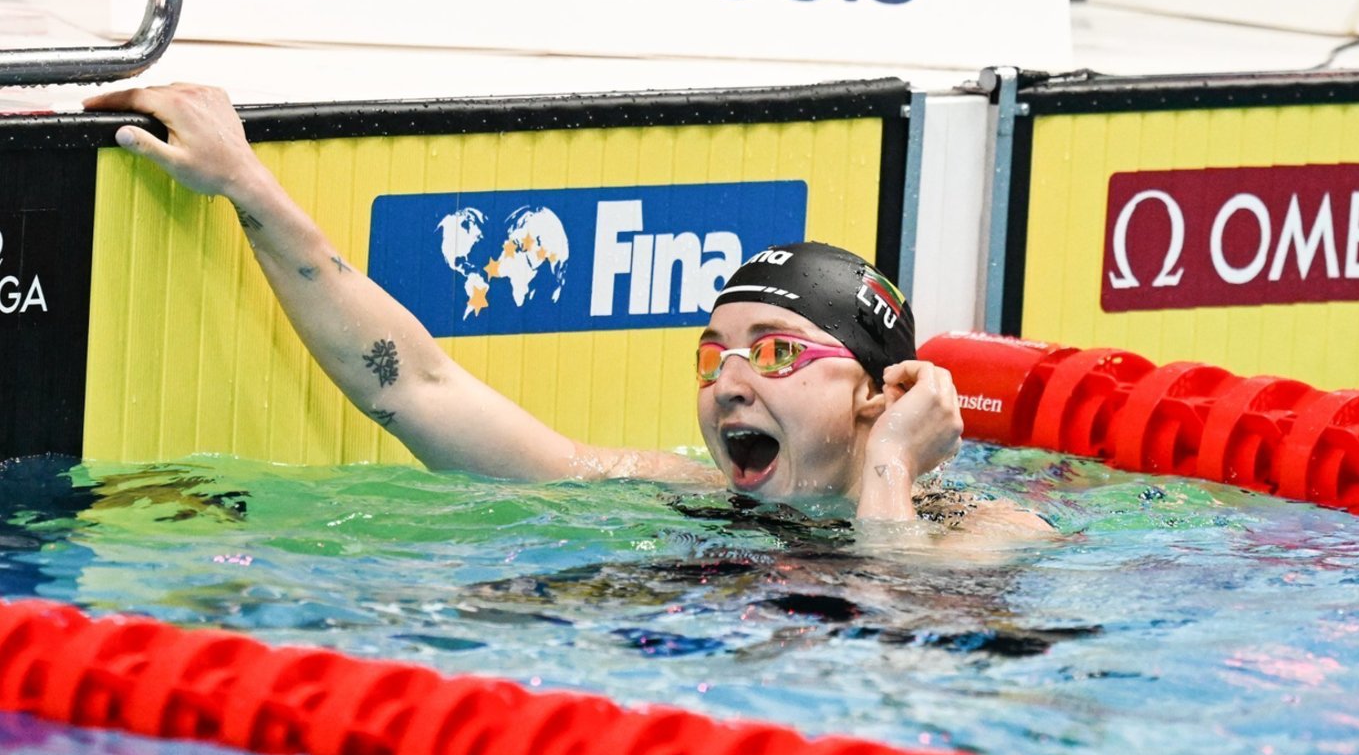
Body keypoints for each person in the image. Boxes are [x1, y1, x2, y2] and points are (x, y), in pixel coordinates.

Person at [82, 84, 1051, 539]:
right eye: (713, 356)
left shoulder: (990, 531)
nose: (730, 382)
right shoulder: (669, 492)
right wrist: (246, 185)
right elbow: (417, 388)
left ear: (880, 393)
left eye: (774, 353)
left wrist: (889, 466)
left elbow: (899, 648)